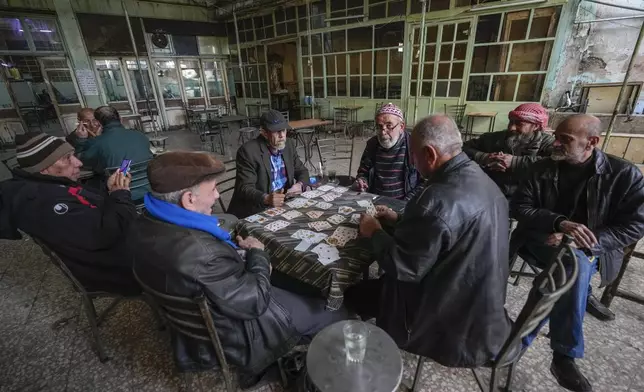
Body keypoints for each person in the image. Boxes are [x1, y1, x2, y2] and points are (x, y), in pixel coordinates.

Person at [129, 151, 346, 387]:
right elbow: (255, 302)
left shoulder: (143, 222)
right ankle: (307, 361)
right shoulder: (204, 252)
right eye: (212, 189)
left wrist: (236, 252)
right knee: (336, 312)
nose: (216, 196)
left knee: (302, 283)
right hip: (242, 329)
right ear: (189, 199)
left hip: (207, 304)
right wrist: (257, 254)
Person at [344, 115, 513, 368]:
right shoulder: (479, 177)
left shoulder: (434, 200)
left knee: (352, 294)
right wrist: (399, 218)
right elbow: (446, 232)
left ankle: (362, 361)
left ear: (430, 154)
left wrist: (374, 231)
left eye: (414, 155)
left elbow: (403, 267)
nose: (412, 161)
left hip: (448, 321)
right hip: (481, 304)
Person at [510, 114, 644, 392]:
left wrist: (582, 241)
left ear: (591, 142)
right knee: (570, 268)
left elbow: (635, 225)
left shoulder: (624, 174)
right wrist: (558, 223)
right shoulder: (541, 168)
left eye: (565, 140)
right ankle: (563, 356)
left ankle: (516, 345)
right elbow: (520, 207)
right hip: (540, 240)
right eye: (556, 136)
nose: (556, 143)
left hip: (594, 248)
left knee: (569, 267)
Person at [0, 132, 139, 295]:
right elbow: (105, 234)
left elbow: (88, 208)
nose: (79, 163)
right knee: (170, 258)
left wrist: (109, 191)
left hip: (115, 251)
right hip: (114, 271)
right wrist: (120, 194)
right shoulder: (44, 203)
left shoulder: (52, 185)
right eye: (67, 158)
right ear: (45, 168)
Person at [228, 110, 309, 218]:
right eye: (276, 131)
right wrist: (266, 198)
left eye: (283, 130)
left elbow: (302, 171)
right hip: (258, 209)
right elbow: (244, 188)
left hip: (284, 204)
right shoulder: (248, 151)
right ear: (264, 133)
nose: (282, 136)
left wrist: (300, 185)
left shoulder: (288, 144)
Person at [463, 103, 554, 198]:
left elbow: (554, 163)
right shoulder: (493, 139)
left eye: (519, 124)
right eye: (511, 122)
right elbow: (460, 148)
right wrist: (484, 157)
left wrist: (514, 162)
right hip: (491, 193)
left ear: (535, 126)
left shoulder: (548, 143)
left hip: (526, 200)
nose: (511, 128)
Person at [77, 106, 153, 201]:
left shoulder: (98, 142)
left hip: (121, 195)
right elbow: (128, 160)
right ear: (120, 119)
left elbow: (81, 162)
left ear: (98, 123)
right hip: (149, 191)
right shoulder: (140, 136)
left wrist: (82, 140)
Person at [352, 103, 420, 200]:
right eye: (379, 127)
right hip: (375, 200)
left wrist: (404, 204)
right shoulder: (372, 144)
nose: (383, 132)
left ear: (401, 127)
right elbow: (363, 172)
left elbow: (425, 182)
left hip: (403, 204)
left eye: (389, 126)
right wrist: (362, 181)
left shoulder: (413, 145)